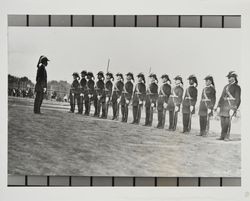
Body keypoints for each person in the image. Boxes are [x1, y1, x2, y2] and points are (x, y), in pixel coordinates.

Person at [215, 71, 241, 141]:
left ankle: (227, 136)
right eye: (228, 78)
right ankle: (222, 136)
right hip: (223, 107)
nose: (229, 79)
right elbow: (221, 97)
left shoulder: (237, 87)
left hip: (230, 107)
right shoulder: (226, 86)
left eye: (230, 77)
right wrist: (218, 106)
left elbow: (238, 99)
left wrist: (234, 108)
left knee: (227, 122)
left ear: (234, 78)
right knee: (222, 122)